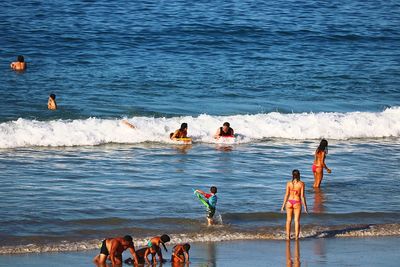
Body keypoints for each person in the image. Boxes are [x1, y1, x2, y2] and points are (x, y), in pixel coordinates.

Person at [281, 170, 308, 240]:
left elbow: (286, 194)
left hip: (289, 202)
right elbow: (302, 196)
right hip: (297, 202)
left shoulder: (289, 183)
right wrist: (305, 206)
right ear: (299, 175)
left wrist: (283, 205)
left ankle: (287, 237)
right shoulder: (301, 184)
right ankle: (296, 237)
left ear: (292, 175)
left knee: (288, 220)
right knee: (296, 221)